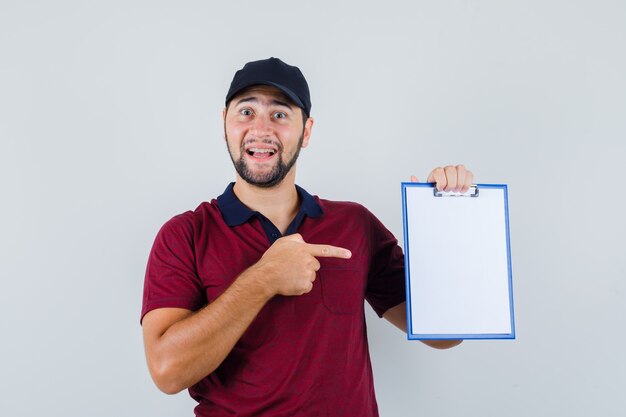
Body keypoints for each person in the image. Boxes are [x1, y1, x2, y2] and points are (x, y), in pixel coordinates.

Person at [141, 57, 473, 416]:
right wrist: (263, 280)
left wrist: (443, 222)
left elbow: (444, 334)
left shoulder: (355, 225)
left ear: (307, 131)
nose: (261, 128)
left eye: (280, 114)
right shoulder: (184, 235)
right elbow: (167, 372)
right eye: (246, 112)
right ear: (225, 123)